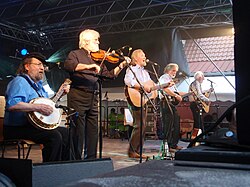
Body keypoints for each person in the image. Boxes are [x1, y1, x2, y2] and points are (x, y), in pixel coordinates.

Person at [64, 29, 129, 160]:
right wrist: (89, 67)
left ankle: (91, 159)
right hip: (78, 96)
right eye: (95, 40)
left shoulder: (97, 58)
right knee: (78, 131)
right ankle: (75, 160)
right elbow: (69, 66)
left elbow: (109, 75)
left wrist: (122, 65)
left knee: (93, 131)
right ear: (86, 41)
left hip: (93, 96)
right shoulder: (75, 54)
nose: (98, 42)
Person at [4, 52, 70, 162]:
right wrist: (37, 107)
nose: (42, 68)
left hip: (32, 127)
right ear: (27, 66)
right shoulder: (20, 81)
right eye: (38, 64)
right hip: (16, 128)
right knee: (54, 136)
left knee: (66, 133)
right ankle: (50, 170)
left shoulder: (39, 87)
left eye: (43, 66)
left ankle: (64, 167)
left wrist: (59, 94)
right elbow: (13, 105)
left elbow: (47, 105)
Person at [124, 49, 155, 159]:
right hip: (134, 98)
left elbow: (150, 86)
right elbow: (128, 81)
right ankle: (132, 151)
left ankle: (137, 151)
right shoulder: (132, 69)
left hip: (143, 100)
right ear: (136, 58)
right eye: (142, 55)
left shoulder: (145, 72)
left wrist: (162, 87)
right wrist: (142, 86)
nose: (145, 57)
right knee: (139, 125)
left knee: (143, 126)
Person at [158, 63, 183, 151]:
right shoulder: (164, 77)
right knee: (168, 124)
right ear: (168, 70)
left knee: (175, 123)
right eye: (173, 70)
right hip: (166, 102)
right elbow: (165, 89)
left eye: (176, 71)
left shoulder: (171, 81)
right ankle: (167, 146)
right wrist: (176, 96)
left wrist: (187, 94)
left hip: (170, 103)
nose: (175, 73)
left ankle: (173, 144)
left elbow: (176, 92)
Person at [189, 71, 212, 138]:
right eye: (203, 77)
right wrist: (207, 100)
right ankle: (195, 138)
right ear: (199, 77)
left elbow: (199, 92)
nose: (204, 79)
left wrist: (208, 90)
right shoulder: (196, 83)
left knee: (199, 121)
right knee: (197, 122)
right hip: (195, 104)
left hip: (195, 104)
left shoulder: (194, 83)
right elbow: (199, 95)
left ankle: (200, 137)